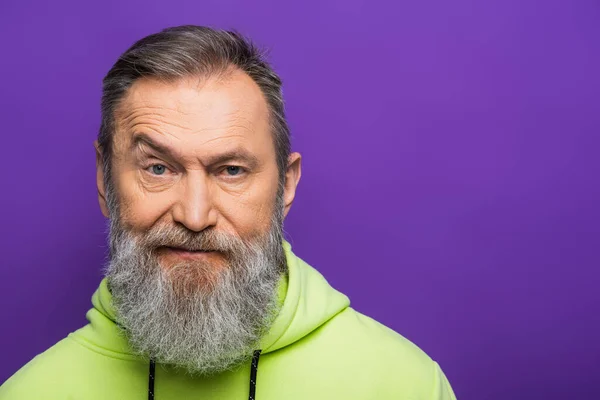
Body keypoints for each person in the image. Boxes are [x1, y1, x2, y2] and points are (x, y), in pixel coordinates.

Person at [0, 25, 456, 399]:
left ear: (286, 186)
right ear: (104, 181)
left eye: (231, 170)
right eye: (158, 168)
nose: (194, 217)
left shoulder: (405, 385)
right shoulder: (29, 393)